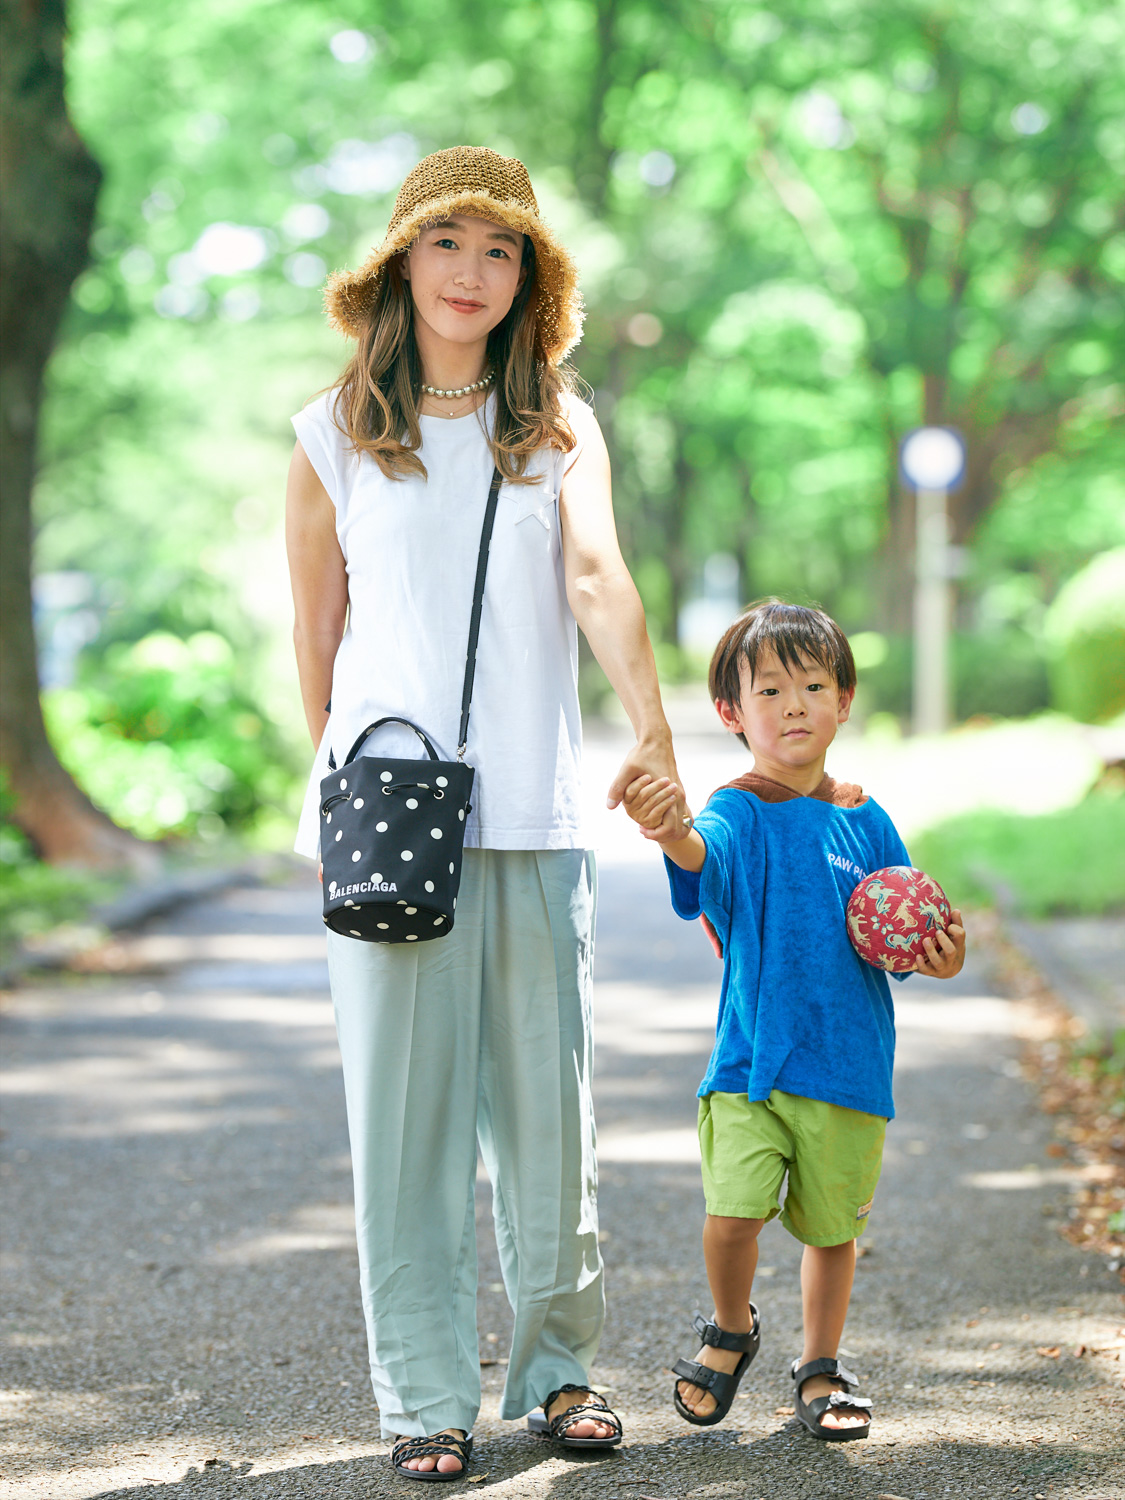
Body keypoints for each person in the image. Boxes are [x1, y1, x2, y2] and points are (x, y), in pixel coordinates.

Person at [285, 146, 684, 1481]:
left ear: (529, 280)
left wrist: (654, 724)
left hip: (535, 813)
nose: (471, 270)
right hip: (391, 821)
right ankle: (422, 1396)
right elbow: (318, 638)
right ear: (401, 259)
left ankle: (560, 1373)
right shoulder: (329, 432)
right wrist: (344, 787)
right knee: (404, 1128)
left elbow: (596, 573)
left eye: (500, 249)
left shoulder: (558, 423)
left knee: (549, 1120)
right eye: (447, 241)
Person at [623, 599, 966, 1443]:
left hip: (846, 1065)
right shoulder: (738, 809)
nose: (793, 705)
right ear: (731, 714)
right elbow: (705, 859)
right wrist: (671, 835)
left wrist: (942, 955)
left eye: (813, 685)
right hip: (750, 1062)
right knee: (730, 1214)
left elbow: (908, 927)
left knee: (828, 1230)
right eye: (768, 690)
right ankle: (730, 1327)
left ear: (843, 701)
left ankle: (820, 1362)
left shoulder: (867, 820)